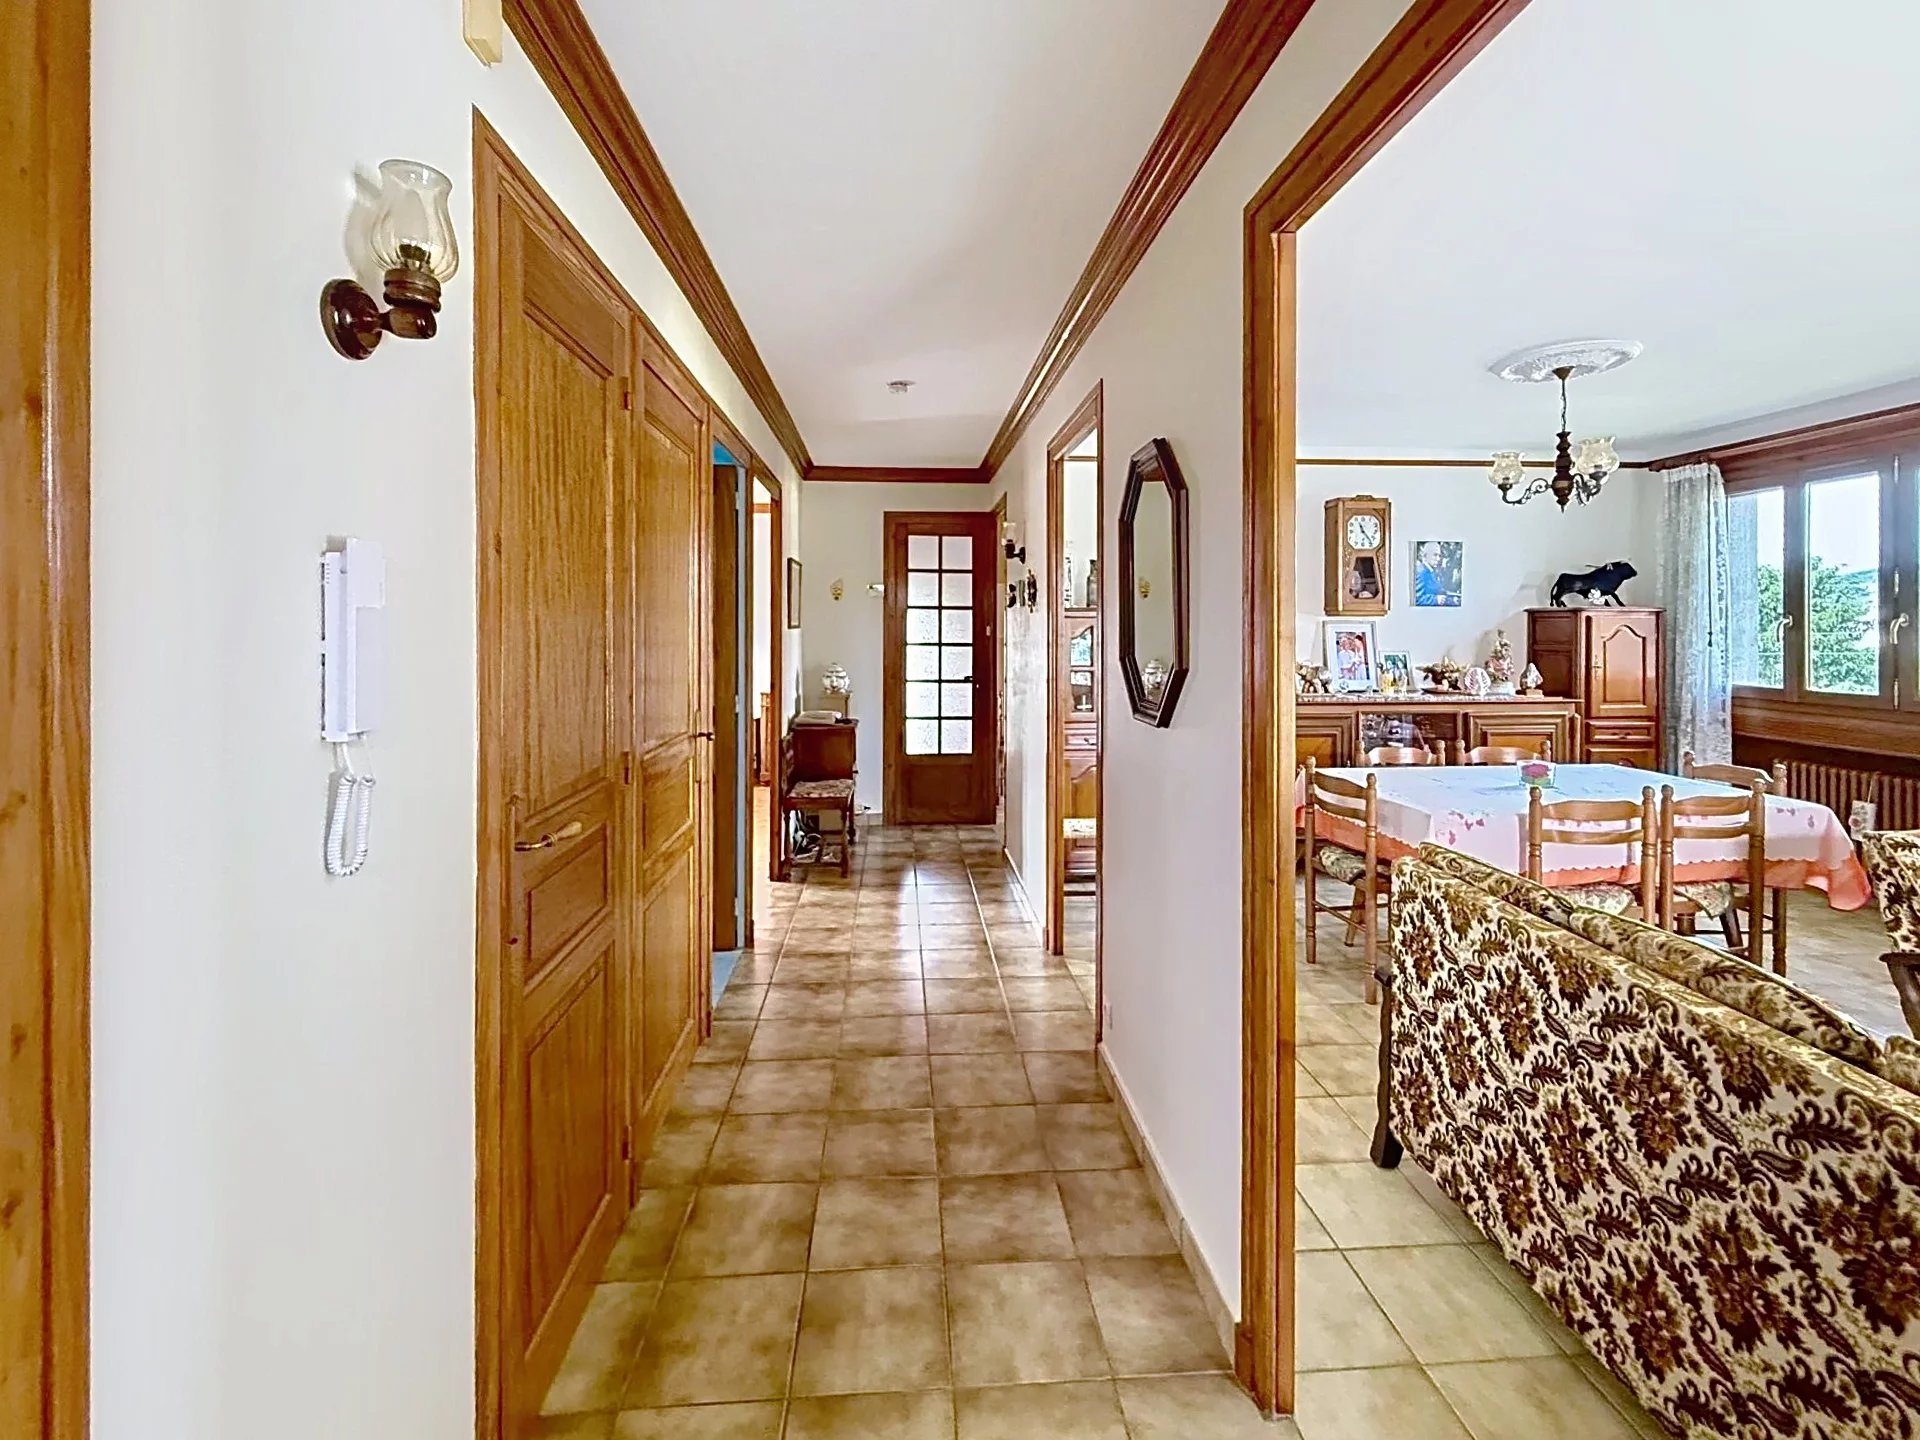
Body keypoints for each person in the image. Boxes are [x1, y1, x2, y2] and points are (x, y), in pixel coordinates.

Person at [1415, 541, 1459, 607]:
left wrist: (1452, 600)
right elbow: (1417, 600)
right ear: (1426, 555)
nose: (1438, 559)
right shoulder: (1421, 572)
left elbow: (1439, 592)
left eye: (1439, 556)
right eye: (1435, 555)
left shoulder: (1432, 571)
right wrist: (1435, 600)